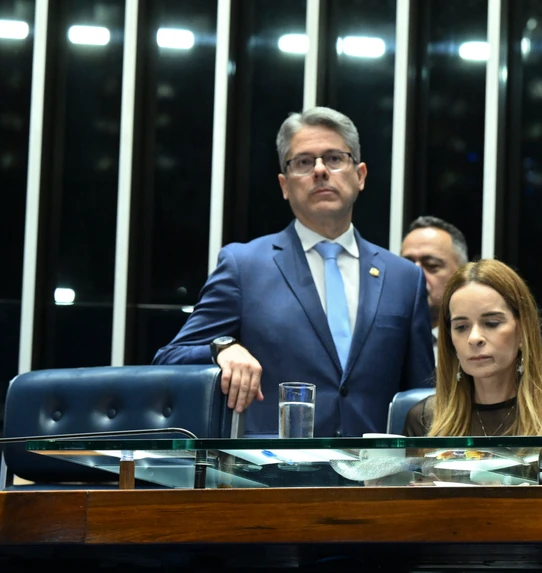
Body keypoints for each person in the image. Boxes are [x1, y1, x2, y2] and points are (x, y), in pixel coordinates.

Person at [153, 107, 434, 437]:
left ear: (360, 175)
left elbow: (422, 398)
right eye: (303, 162)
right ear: (284, 185)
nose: (320, 171)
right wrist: (222, 349)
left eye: (334, 158)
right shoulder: (244, 266)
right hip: (274, 465)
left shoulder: (404, 278)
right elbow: (169, 358)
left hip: (376, 466)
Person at [404, 259, 542, 436]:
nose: (474, 338)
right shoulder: (425, 419)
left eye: (491, 323)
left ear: (523, 331)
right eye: (461, 327)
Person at [401, 215, 469, 331]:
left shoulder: (475, 338)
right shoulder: (379, 337)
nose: (416, 274)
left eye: (431, 265)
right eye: (407, 266)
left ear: (461, 275)